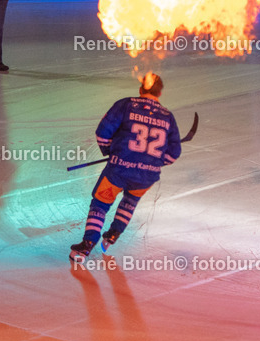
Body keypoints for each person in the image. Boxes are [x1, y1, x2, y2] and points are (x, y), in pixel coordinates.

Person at [70, 73, 182, 263]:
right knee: (130, 201)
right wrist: (152, 162)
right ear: (160, 93)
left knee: (100, 204)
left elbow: (103, 134)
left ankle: (87, 244)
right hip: (147, 176)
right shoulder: (167, 117)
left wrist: (110, 152)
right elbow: (173, 153)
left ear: (140, 89)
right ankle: (114, 234)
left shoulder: (126, 105)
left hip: (119, 170)